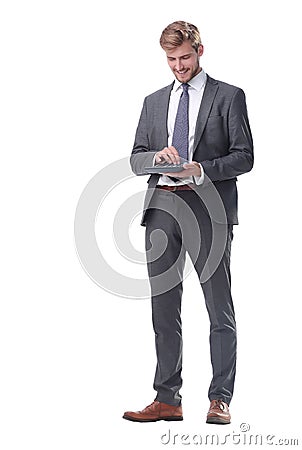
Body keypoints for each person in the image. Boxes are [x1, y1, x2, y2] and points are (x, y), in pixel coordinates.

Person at [123, 21, 253, 424]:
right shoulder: (153, 101)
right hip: (162, 206)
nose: (178, 66)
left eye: (185, 57)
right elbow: (135, 157)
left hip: (208, 208)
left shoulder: (228, 96)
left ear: (200, 50)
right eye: (171, 59)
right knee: (164, 309)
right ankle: (167, 399)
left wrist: (200, 169)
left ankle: (220, 398)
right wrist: (155, 159)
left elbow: (244, 156)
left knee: (219, 307)